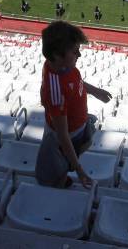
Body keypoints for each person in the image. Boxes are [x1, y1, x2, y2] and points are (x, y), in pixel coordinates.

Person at [35, 21, 112, 188]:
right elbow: (62, 136)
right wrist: (79, 170)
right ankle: (61, 179)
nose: (79, 55)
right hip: (66, 137)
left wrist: (95, 91)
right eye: (74, 51)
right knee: (58, 169)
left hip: (78, 127)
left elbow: (77, 82)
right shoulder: (56, 91)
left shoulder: (63, 67)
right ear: (57, 55)